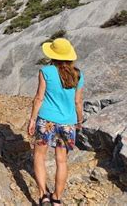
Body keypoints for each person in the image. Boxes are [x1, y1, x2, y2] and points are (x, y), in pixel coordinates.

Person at [27, 38, 84, 205]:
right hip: (67, 122)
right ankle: (57, 199)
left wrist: (32, 119)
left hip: (46, 120)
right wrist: (79, 120)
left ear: (53, 54)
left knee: (39, 156)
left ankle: (43, 195)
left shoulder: (45, 71)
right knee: (61, 161)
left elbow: (39, 98)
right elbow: (78, 102)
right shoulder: (78, 74)